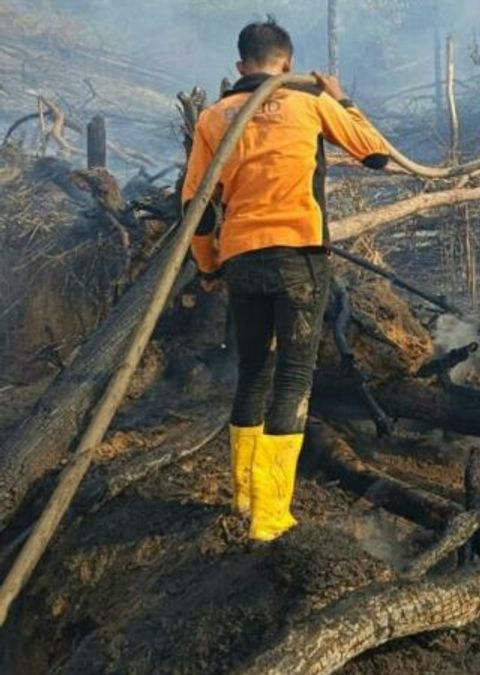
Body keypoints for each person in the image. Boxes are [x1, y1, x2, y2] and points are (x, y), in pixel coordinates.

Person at [182, 18, 392, 541]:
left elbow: (197, 209)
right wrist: (341, 101)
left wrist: (208, 267)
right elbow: (376, 153)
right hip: (298, 255)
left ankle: (243, 495)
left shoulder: (214, 117)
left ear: (240, 67)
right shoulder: (309, 103)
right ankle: (271, 516)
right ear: (289, 64)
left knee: (253, 371)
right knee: (294, 379)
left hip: (242, 260)